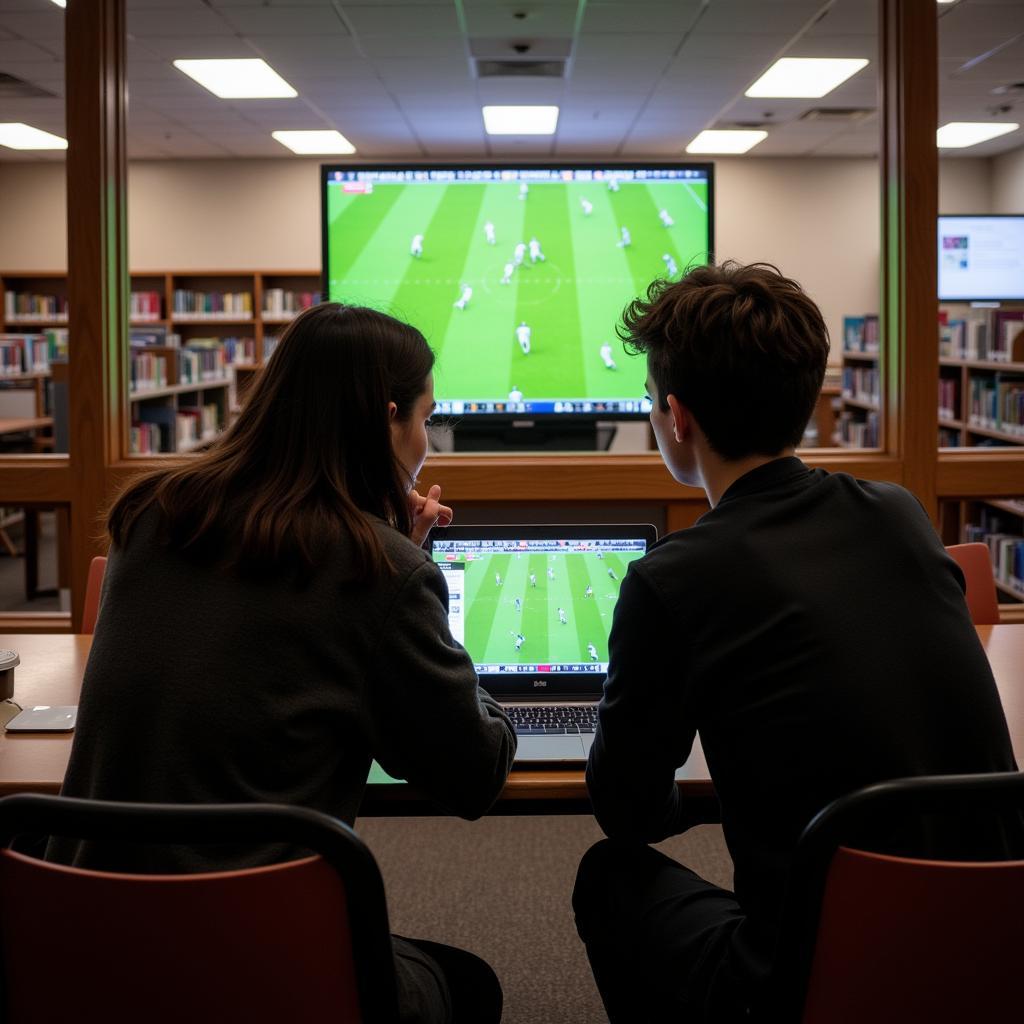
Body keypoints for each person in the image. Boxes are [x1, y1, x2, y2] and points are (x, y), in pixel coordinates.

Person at [573, 262, 1017, 1023]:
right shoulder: (901, 513)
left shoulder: (671, 579)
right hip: (996, 946)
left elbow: (627, 810)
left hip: (810, 975)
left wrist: (699, 805)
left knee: (608, 875)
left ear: (677, 418)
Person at [50, 303, 515, 1024]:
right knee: (472, 985)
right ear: (388, 419)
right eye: (426, 419)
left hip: (85, 941)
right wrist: (410, 579)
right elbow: (472, 775)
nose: (427, 442)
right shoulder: (377, 569)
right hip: (252, 958)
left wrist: (393, 561)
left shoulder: (152, 514)